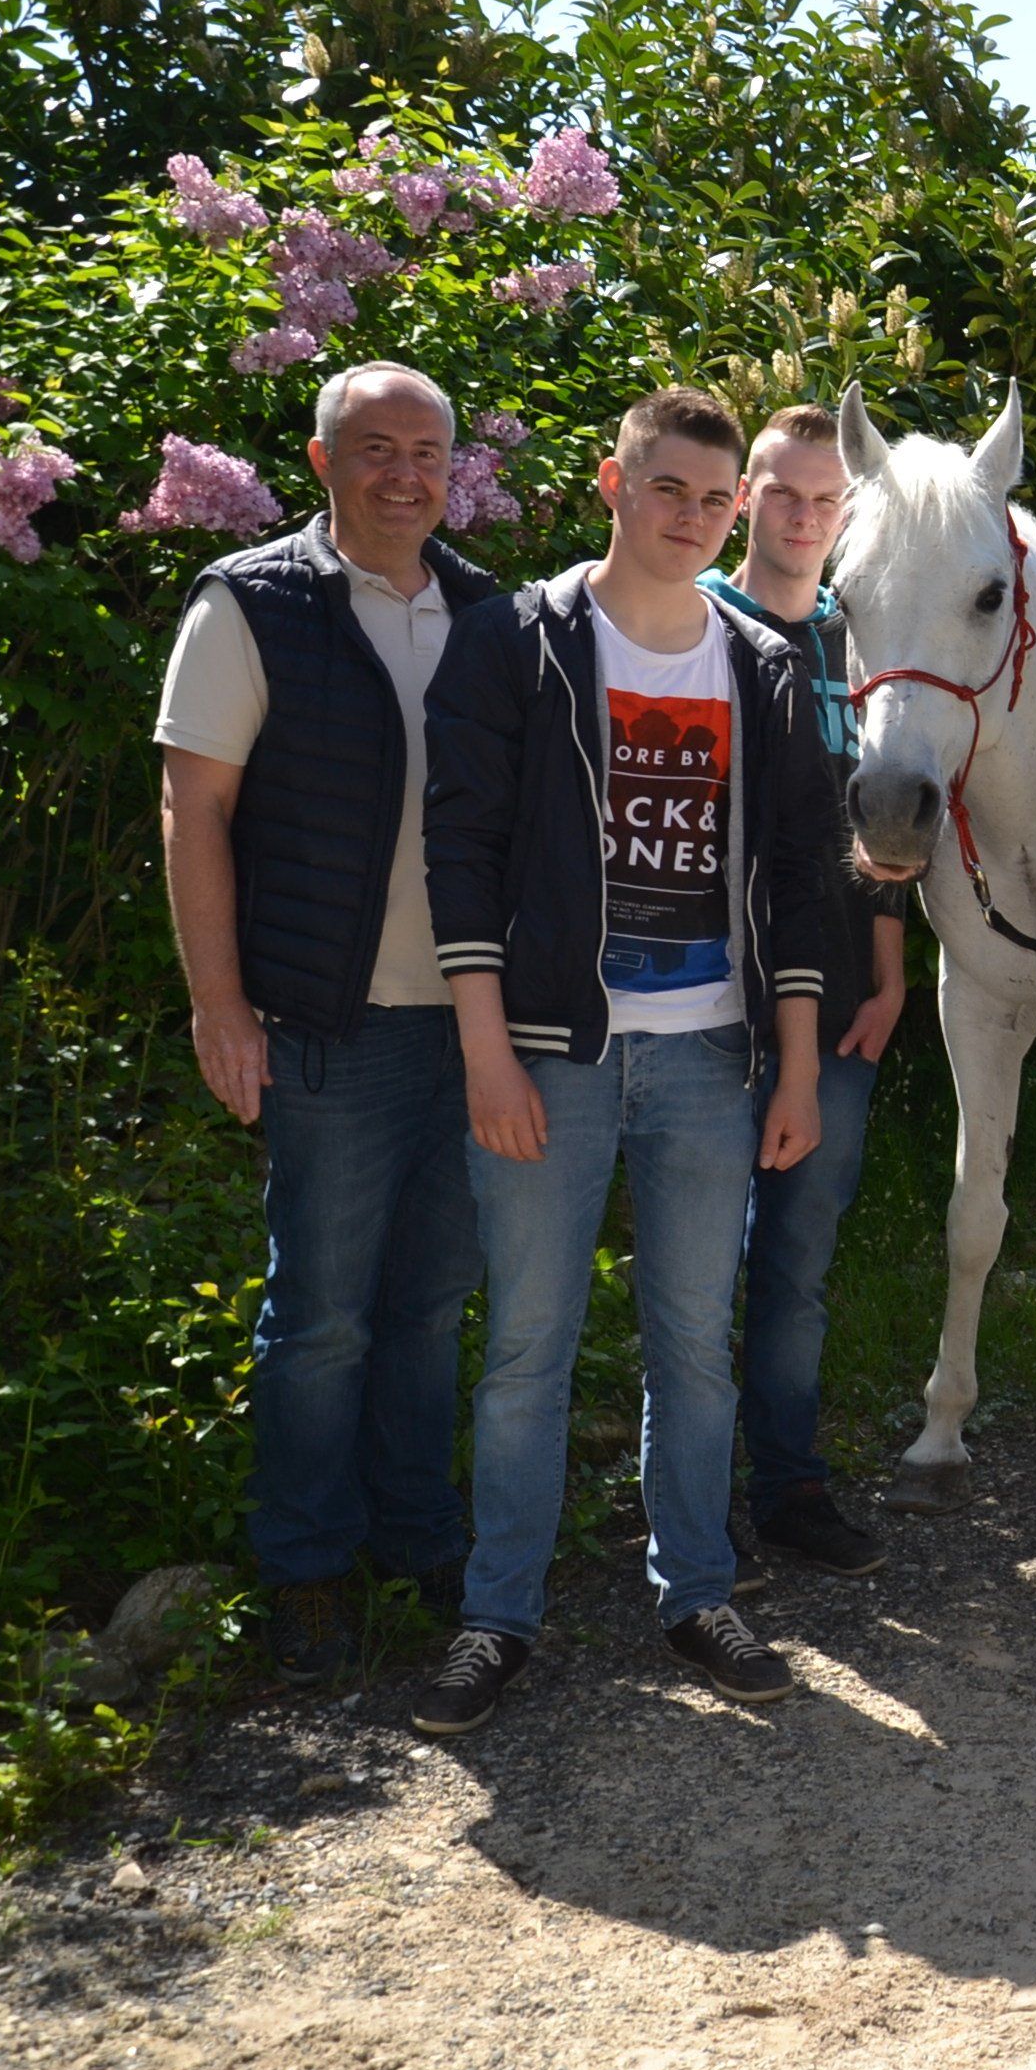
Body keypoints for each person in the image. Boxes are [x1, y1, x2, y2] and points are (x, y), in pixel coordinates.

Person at [410, 387, 841, 1735]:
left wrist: (797, 1068)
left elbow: (801, 878)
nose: (693, 519)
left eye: (716, 500)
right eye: (669, 489)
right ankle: (497, 1618)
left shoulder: (762, 664)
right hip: (551, 1056)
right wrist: (487, 1051)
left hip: (711, 1060)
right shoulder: (517, 641)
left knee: (695, 1350)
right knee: (525, 1350)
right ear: (613, 481)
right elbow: (458, 853)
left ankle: (696, 1592)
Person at [154, 361, 498, 1685]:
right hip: (325, 1029)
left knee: (431, 1306)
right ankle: (305, 1569)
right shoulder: (251, 604)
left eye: (427, 452)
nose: (404, 475)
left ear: (452, 471)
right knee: (321, 1320)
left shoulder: (488, 612)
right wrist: (219, 1004)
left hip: (470, 1032)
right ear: (320, 461)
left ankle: (419, 1538)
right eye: (375, 449)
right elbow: (194, 811)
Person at [697, 402, 896, 1581]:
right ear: (745, 497)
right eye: (784, 491)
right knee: (697, 1271)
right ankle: (687, 1501)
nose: (805, 516)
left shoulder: (858, 637)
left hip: (842, 1007)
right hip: (708, 1005)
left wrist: (892, 973)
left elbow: (881, 817)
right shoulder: (694, 619)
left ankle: (788, 1487)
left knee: (797, 1264)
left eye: (828, 499)